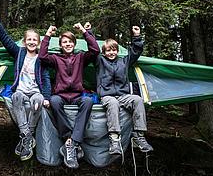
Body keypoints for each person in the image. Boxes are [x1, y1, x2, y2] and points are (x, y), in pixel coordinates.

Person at [0, 3, 51, 161]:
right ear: (24, 41)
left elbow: (46, 78)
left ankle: (28, 136)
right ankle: (27, 136)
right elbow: (4, 38)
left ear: (39, 43)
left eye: (35, 40)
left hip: (36, 92)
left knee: (38, 102)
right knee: (16, 97)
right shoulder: (19, 53)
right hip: (21, 91)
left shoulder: (42, 59)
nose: (32, 42)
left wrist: (46, 97)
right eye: (29, 39)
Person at [39, 22, 100, 168]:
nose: (67, 44)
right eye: (64, 42)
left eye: (70, 42)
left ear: (74, 43)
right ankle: (68, 139)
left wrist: (84, 31)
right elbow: (42, 56)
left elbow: (96, 50)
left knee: (88, 101)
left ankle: (73, 142)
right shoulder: (56, 58)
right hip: (61, 95)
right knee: (53, 101)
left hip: (77, 95)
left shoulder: (81, 57)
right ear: (61, 45)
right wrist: (47, 35)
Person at [95, 26, 153, 155]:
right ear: (104, 52)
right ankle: (114, 140)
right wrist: (88, 32)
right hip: (107, 96)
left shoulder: (124, 61)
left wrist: (137, 36)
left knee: (137, 99)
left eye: (114, 50)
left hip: (123, 96)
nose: (111, 53)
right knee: (113, 103)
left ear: (117, 51)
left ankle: (139, 136)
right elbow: (93, 49)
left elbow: (135, 51)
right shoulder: (100, 61)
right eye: (108, 50)